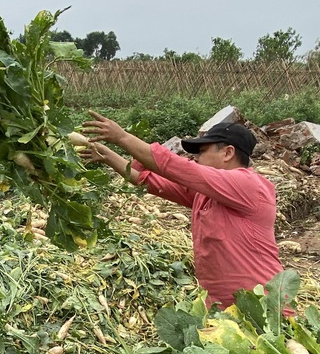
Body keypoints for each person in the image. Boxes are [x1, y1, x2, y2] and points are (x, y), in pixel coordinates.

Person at [81, 109, 283, 309]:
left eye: (202, 152)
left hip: (262, 307)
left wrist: (122, 137)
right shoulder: (207, 194)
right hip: (223, 308)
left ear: (228, 153)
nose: (197, 158)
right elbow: (147, 181)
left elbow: (180, 169)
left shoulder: (249, 184)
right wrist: (107, 155)